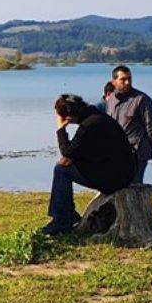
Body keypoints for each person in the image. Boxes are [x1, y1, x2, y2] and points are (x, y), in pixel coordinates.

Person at [43, 94, 135, 236]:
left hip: (114, 179)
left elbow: (68, 152)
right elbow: (80, 150)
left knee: (61, 170)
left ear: (69, 117)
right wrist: (72, 158)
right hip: (123, 173)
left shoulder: (89, 125)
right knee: (64, 166)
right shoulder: (98, 118)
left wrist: (61, 129)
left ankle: (62, 220)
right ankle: (66, 214)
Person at [105, 65, 152, 183]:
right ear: (114, 82)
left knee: (135, 187)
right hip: (116, 153)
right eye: (123, 79)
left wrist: (146, 148)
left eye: (129, 79)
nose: (127, 82)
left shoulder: (142, 99)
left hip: (136, 154)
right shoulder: (111, 100)